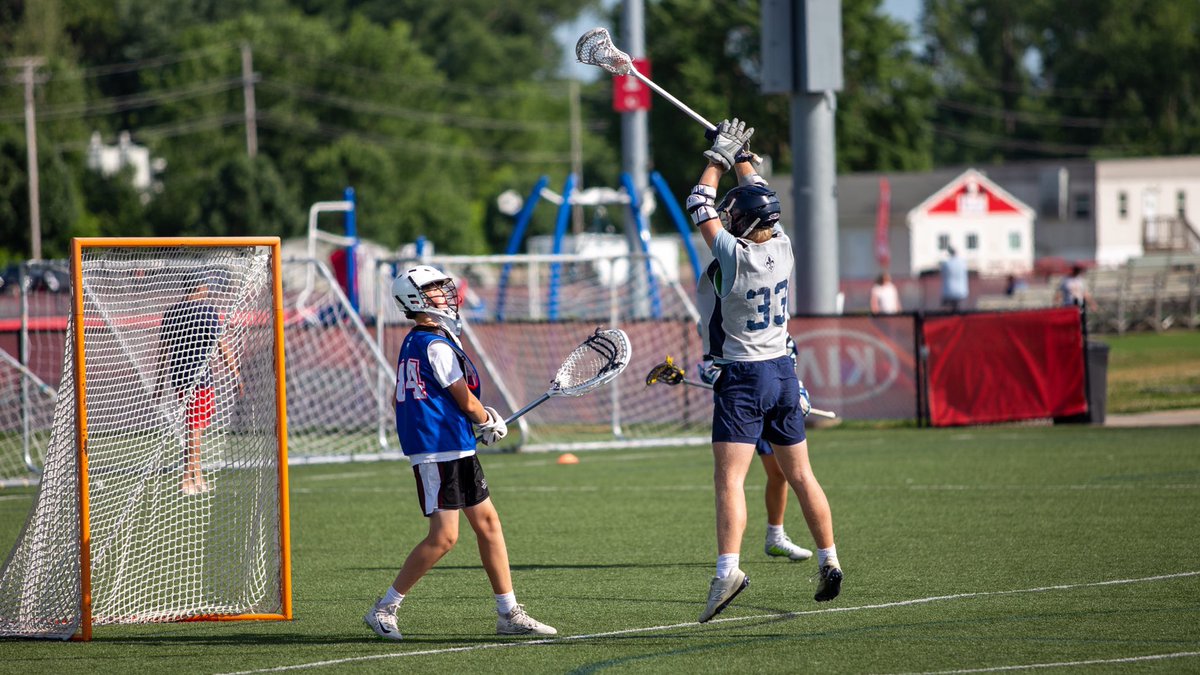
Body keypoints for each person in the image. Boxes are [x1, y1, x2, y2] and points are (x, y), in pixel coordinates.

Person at [684, 118, 842, 624]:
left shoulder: (734, 254)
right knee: (802, 475)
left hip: (744, 377)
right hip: (782, 370)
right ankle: (829, 558)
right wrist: (742, 153)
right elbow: (757, 196)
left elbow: (699, 205)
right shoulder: (783, 246)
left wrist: (716, 159)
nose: (727, 220)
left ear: (744, 225)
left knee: (729, 480)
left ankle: (728, 570)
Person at [363, 265, 556, 641]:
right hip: (437, 451)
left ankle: (508, 613)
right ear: (416, 299)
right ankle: (384, 608)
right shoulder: (434, 343)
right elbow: (464, 400)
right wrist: (487, 420)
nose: (444, 294)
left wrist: (470, 426)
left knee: (488, 524)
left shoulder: (422, 339)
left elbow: (400, 399)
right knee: (444, 537)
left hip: (453, 445)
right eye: (434, 289)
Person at [158, 271, 241, 495]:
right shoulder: (207, 311)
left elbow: (163, 350)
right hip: (200, 377)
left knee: (194, 426)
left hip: (178, 377)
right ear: (200, 287)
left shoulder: (172, 311)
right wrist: (235, 375)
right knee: (194, 428)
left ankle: (198, 474)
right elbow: (222, 346)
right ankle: (187, 478)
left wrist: (159, 383)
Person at [940, 247, 969, 311]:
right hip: (961, 291)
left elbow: (943, 274)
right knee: (958, 309)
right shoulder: (962, 263)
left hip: (949, 291)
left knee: (946, 308)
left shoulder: (946, 264)